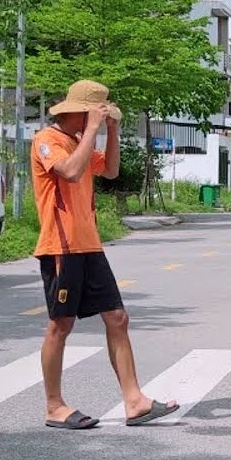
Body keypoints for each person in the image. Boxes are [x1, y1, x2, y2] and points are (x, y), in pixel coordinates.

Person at [32, 80, 178, 430]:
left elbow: (110, 170)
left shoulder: (80, 139)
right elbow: (70, 172)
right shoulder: (47, 140)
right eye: (97, 111)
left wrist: (112, 130)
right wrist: (93, 129)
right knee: (61, 325)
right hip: (62, 246)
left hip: (90, 244)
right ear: (81, 112)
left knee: (117, 317)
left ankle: (134, 401)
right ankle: (54, 405)